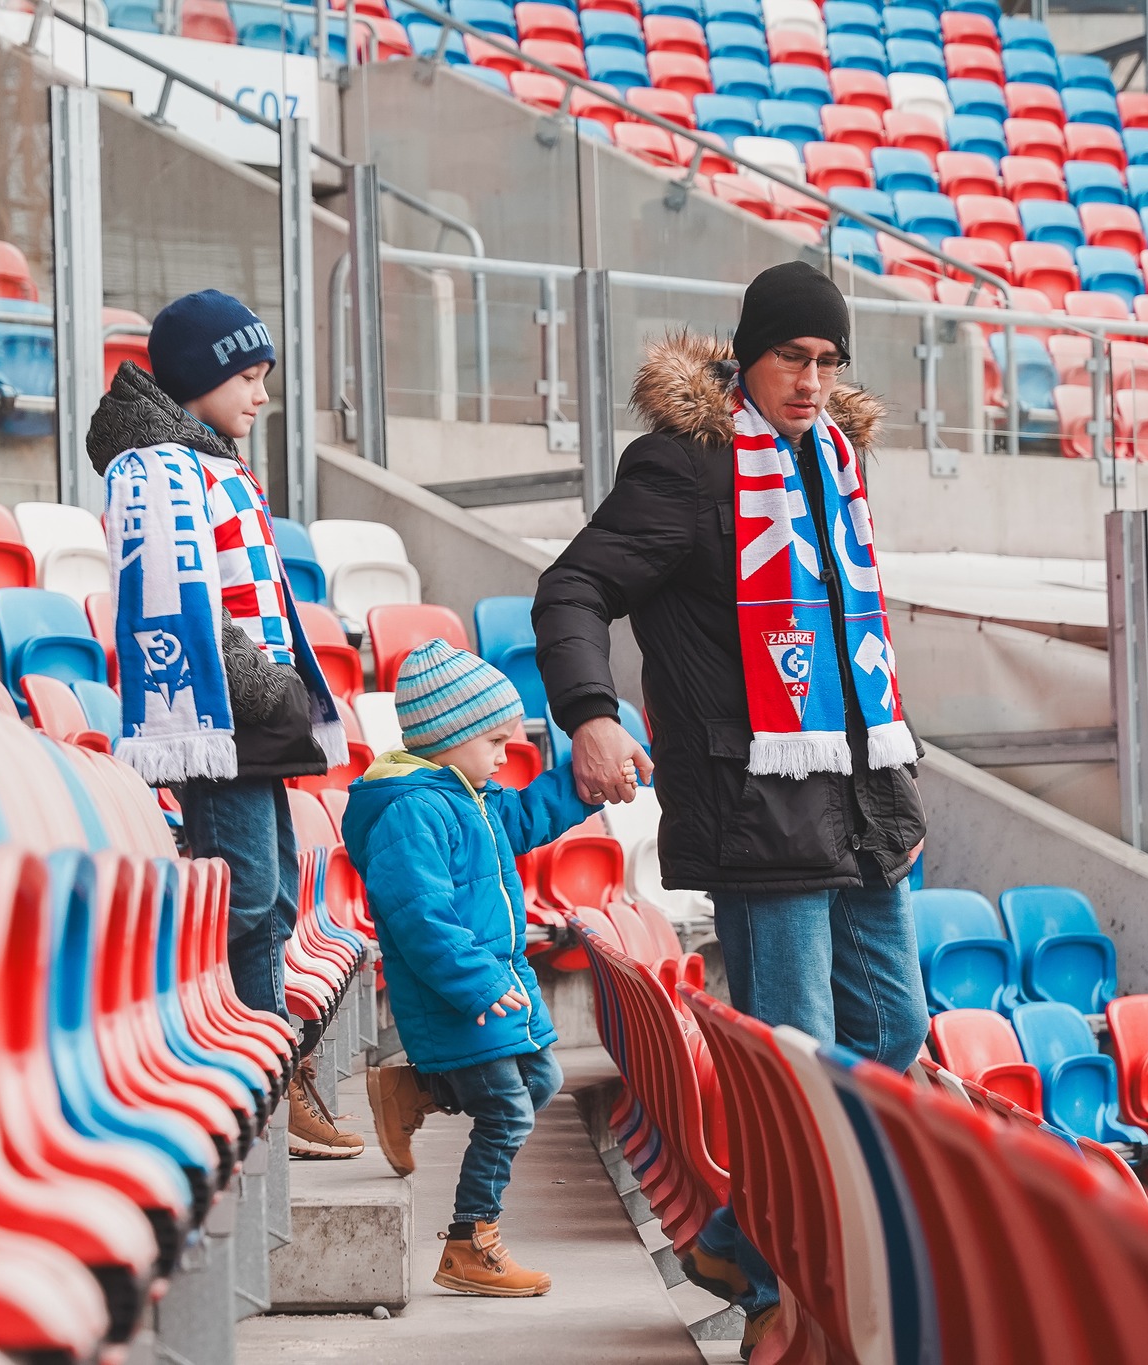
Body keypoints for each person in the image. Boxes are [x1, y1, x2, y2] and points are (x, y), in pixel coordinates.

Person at [530, 261, 930, 1353]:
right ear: (747, 354)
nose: (810, 382)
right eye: (792, 359)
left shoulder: (832, 461)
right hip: (757, 815)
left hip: (859, 811)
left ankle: (738, 1244)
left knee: (892, 1036)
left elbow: (851, 646)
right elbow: (571, 588)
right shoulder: (685, 468)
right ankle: (770, 1303)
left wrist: (895, 790)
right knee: (790, 1064)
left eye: (826, 363)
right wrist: (589, 712)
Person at [88, 288, 363, 1161]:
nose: (262, 394)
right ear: (201, 375)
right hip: (221, 726)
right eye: (248, 375)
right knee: (245, 902)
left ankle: (275, 1073)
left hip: (246, 724)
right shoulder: (158, 467)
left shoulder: (204, 458)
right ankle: (261, 1092)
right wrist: (274, 694)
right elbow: (186, 608)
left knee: (273, 891)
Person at [343, 638, 598, 1298]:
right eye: (494, 742)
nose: (505, 755)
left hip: (500, 983)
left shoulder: (471, 793)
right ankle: (469, 1241)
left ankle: (417, 1092)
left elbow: (532, 813)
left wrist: (589, 784)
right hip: (461, 994)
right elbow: (417, 914)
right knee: (509, 1110)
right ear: (446, 737)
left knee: (541, 1078)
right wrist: (478, 982)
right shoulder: (413, 809)